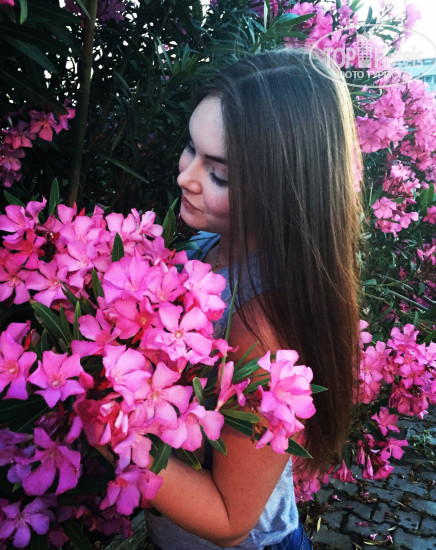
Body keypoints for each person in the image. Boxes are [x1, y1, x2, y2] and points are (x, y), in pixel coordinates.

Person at [144, 48, 362, 549]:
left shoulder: (261, 322)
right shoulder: (204, 245)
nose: (186, 177)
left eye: (218, 174)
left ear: (282, 189)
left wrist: (113, 435)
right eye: (191, 149)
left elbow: (230, 520)